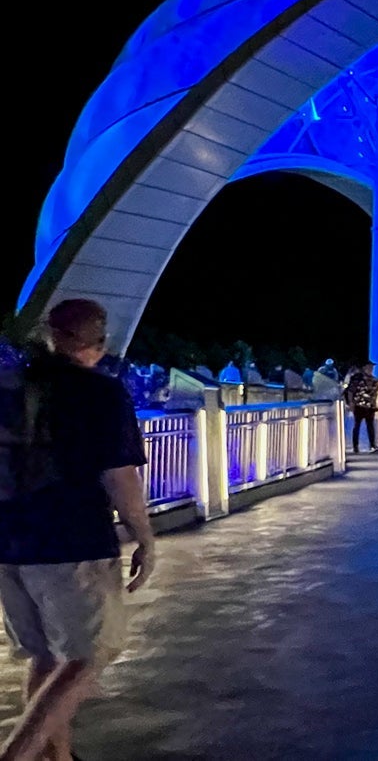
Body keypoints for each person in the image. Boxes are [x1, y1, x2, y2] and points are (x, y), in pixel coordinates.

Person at [0, 298, 156, 761]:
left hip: (9, 541)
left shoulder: (8, 386)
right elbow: (120, 475)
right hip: (71, 542)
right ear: (99, 342)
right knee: (88, 658)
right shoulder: (101, 393)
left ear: (49, 336)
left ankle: (58, 758)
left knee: (46, 657)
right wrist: (143, 536)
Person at [344, 362, 378, 454]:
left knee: (370, 426)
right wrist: (351, 402)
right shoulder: (357, 378)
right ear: (364, 368)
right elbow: (351, 391)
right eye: (369, 367)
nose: (371, 369)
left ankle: (372, 445)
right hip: (359, 405)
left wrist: (375, 404)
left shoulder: (374, 379)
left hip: (370, 406)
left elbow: (375, 393)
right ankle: (355, 446)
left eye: (371, 367)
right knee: (357, 425)